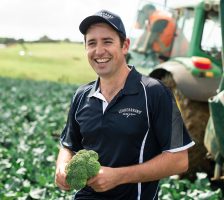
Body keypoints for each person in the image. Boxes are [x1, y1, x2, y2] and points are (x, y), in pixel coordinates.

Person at [55, 9, 195, 200]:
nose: (99, 51)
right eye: (92, 43)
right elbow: (68, 146)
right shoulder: (81, 95)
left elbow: (179, 160)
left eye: (107, 41)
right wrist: (62, 167)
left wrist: (118, 177)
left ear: (125, 45)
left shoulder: (156, 92)